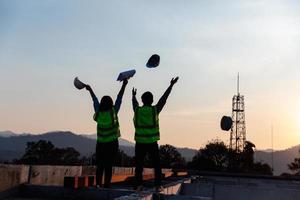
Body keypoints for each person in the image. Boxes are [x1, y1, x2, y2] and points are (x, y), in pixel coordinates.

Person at [132, 77, 179, 191]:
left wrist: (133, 96)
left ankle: (138, 185)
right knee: (157, 165)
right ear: (152, 101)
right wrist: (171, 85)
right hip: (152, 142)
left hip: (140, 142)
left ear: (142, 100)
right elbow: (164, 99)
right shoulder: (155, 110)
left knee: (139, 166)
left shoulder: (137, 110)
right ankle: (158, 185)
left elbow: (134, 103)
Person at [85, 79, 128, 188]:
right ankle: (107, 184)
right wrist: (124, 84)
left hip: (100, 143)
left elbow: (94, 100)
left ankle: (98, 183)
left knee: (100, 165)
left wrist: (90, 90)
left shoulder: (98, 111)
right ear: (111, 103)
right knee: (108, 165)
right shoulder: (113, 111)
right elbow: (120, 98)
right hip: (112, 143)